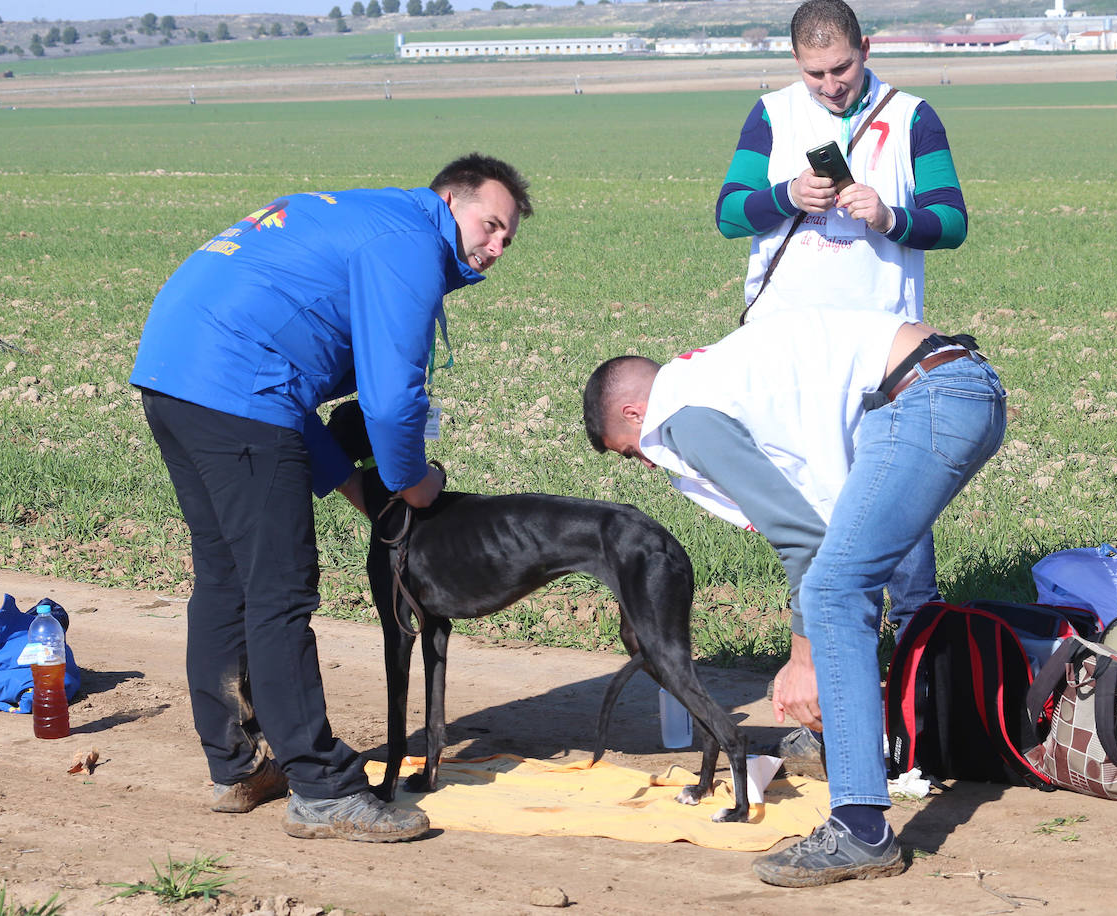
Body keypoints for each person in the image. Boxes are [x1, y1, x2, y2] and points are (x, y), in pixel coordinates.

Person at [130, 154, 532, 843]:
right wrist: (413, 484)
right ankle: (321, 790)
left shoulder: (370, 217)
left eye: (508, 240)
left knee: (228, 577)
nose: (495, 249)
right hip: (237, 386)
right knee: (281, 591)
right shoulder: (407, 243)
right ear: (449, 200)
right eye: (490, 225)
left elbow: (292, 393)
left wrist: (357, 487)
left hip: (177, 377)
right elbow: (390, 396)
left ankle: (238, 766)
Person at [583, 308, 1005, 885]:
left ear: (635, 413)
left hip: (929, 397)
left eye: (629, 449)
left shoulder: (677, 416)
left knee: (832, 591)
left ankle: (860, 829)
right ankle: (854, 744)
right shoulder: (713, 378)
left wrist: (803, 660)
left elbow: (801, 538)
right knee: (842, 579)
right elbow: (822, 528)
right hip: (942, 387)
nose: (644, 459)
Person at [714, 0, 970, 767]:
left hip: (884, 357)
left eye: (842, 68)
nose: (828, 85)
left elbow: (952, 220)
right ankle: (831, 712)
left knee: (902, 537)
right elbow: (729, 213)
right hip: (790, 358)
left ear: (867, 48)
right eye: (813, 72)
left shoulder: (915, 116)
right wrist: (786, 197)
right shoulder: (769, 116)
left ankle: (925, 712)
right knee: (819, 533)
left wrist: (892, 216)